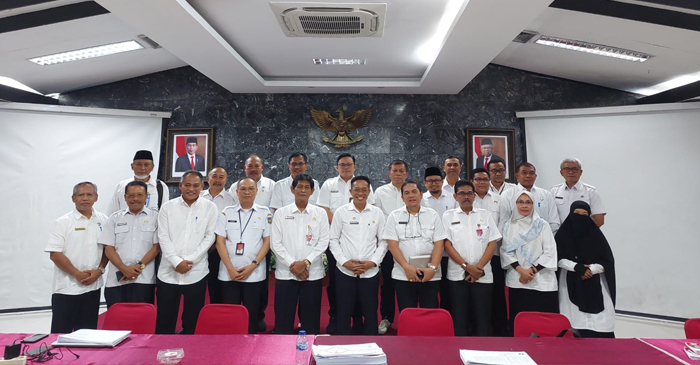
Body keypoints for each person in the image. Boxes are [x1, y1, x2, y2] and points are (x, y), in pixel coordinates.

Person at [317, 153, 375, 333]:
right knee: (338, 282)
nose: (345, 167)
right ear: (337, 167)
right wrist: (341, 225)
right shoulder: (328, 185)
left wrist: (348, 226)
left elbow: (370, 208)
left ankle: (358, 319)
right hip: (335, 240)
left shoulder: (363, 185)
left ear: (355, 166)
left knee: (360, 283)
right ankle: (336, 317)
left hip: (359, 240)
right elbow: (324, 207)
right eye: (342, 165)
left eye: (349, 164)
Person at [155, 170, 218, 334]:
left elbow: (209, 237)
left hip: (196, 272)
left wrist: (189, 260)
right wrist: (176, 261)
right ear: (180, 186)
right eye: (187, 185)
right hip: (168, 272)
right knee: (164, 320)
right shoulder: (167, 207)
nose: (191, 189)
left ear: (202, 186)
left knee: (193, 321)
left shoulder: (210, 207)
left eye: (196, 185)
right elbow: (163, 236)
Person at [46, 182, 108, 333]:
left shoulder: (104, 220)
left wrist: (99, 271)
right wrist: (77, 274)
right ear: (73, 198)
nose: (85, 198)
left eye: (89, 194)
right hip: (67, 290)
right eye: (80, 195)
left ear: (96, 197)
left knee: (87, 336)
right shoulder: (62, 222)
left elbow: (108, 249)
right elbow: (55, 254)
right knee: (60, 336)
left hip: (93, 288)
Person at [271, 174, 329, 335]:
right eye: (299, 187)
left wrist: (306, 263)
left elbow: (323, 241)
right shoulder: (281, 213)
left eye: (306, 187)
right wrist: (293, 264)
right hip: (286, 273)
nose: (302, 190)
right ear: (292, 189)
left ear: (312, 191)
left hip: (312, 274)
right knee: (283, 321)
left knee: (311, 322)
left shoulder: (320, 213)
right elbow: (275, 243)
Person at [329, 176, 387, 335]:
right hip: (345, 271)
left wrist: (373, 262)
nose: (360, 193)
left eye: (364, 190)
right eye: (356, 190)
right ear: (350, 191)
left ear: (369, 192)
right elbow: (333, 240)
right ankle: (343, 348)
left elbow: (383, 241)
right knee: (344, 312)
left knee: (370, 313)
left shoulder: (377, 213)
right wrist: (344, 262)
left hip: (370, 272)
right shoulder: (341, 212)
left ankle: (372, 348)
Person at [443, 180, 501, 336]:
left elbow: (492, 242)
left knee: (483, 317)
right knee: (459, 317)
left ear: (474, 196)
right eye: (461, 193)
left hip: (483, 275)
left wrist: (478, 268)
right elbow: (447, 244)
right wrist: (466, 266)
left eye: (469, 193)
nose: (466, 197)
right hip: (457, 275)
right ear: (455, 196)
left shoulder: (485, 215)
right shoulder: (448, 216)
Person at [215, 177, 272, 334]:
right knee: (230, 314)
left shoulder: (265, 213)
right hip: (228, 273)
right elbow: (220, 241)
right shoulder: (227, 212)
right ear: (236, 191)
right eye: (243, 189)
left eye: (251, 189)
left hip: (254, 273)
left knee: (252, 315)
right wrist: (230, 269)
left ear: (256, 191)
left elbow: (267, 242)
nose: (247, 192)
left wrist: (253, 265)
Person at [227, 155, 275, 332]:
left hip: (262, 237)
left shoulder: (271, 185)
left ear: (262, 167)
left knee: (260, 283)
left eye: (257, 165)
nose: (253, 169)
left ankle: (258, 317)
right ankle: (235, 320)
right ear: (244, 168)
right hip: (237, 238)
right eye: (250, 166)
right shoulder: (234, 186)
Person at [556, 201, 616, 338]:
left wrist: (591, 270)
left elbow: (607, 260)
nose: (581, 218)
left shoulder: (597, 237)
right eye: (577, 214)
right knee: (573, 321)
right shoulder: (562, 236)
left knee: (600, 322)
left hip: (595, 281)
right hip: (569, 280)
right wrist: (576, 267)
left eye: (585, 215)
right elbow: (557, 257)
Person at [383, 181, 445, 312]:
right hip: (404, 274)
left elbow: (439, 243)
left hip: (429, 274)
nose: (411, 195)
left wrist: (432, 268)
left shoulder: (432, 215)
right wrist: (407, 268)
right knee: (407, 312)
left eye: (414, 192)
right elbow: (392, 245)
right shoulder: (394, 216)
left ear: (421, 194)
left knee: (430, 313)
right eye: (407, 193)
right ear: (402, 198)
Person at [501, 191, 559, 331]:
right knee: (520, 322)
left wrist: (531, 271)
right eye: (520, 202)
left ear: (533, 204)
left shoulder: (542, 225)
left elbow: (550, 251)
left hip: (542, 280)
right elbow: (506, 251)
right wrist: (522, 271)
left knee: (543, 324)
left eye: (528, 202)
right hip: (518, 280)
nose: (524, 205)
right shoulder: (509, 226)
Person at [100, 180, 160, 308]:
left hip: (144, 280)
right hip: (117, 281)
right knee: (116, 321)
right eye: (131, 196)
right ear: (125, 198)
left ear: (146, 196)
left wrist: (139, 267)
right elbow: (108, 248)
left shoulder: (156, 217)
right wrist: (123, 268)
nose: (135, 199)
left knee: (142, 320)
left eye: (140, 195)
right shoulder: (114, 218)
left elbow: (156, 247)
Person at [470, 167, 509, 336]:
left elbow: (504, 224)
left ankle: (498, 327)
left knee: (496, 292)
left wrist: (489, 243)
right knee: (472, 292)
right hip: (470, 255)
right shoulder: (467, 198)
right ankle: (473, 326)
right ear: (472, 181)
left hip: (494, 253)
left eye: (485, 179)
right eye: (478, 179)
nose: (482, 182)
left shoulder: (499, 200)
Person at [373, 160, 409, 335]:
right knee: (387, 284)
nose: (398, 174)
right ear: (389, 173)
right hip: (388, 247)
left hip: (409, 247)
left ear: (406, 173)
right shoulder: (380, 192)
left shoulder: (413, 191)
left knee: (407, 285)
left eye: (401, 171)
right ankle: (386, 318)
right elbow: (378, 218)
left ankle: (408, 318)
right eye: (394, 171)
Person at [421, 167, 456, 312]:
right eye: (430, 181)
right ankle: (433, 317)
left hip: (449, 251)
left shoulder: (452, 197)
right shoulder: (421, 199)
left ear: (442, 182)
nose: (433, 183)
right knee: (431, 290)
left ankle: (448, 317)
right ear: (424, 183)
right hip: (430, 252)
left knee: (448, 289)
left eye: (436, 180)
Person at [200, 166, 235, 304]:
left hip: (219, 249)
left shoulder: (232, 200)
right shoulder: (198, 196)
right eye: (214, 176)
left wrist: (215, 244)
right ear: (207, 179)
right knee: (196, 287)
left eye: (221, 177)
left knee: (217, 286)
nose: (217, 180)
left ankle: (217, 315)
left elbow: (231, 226)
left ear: (226, 180)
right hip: (197, 248)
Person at [502, 162, 560, 233]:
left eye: (531, 173)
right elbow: (504, 221)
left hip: (543, 239)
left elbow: (554, 221)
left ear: (535, 176)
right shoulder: (507, 195)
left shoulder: (546, 195)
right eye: (524, 173)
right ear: (517, 175)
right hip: (516, 239)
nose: (528, 176)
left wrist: (545, 237)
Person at [107, 150, 169, 214]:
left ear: (152, 167)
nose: (142, 168)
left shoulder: (160, 187)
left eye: (146, 165)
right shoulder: (122, 186)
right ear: (132, 166)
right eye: (139, 164)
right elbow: (112, 213)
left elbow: (165, 212)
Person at [550, 158, 606, 227]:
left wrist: (585, 233)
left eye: (574, 169)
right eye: (567, 169)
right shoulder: (554, 191)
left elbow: (599, 219)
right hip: (560, 235)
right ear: (561, 172)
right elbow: (550, 216)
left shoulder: (591, 191)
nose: (571, 172)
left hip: (584, 235)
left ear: (581, 172)